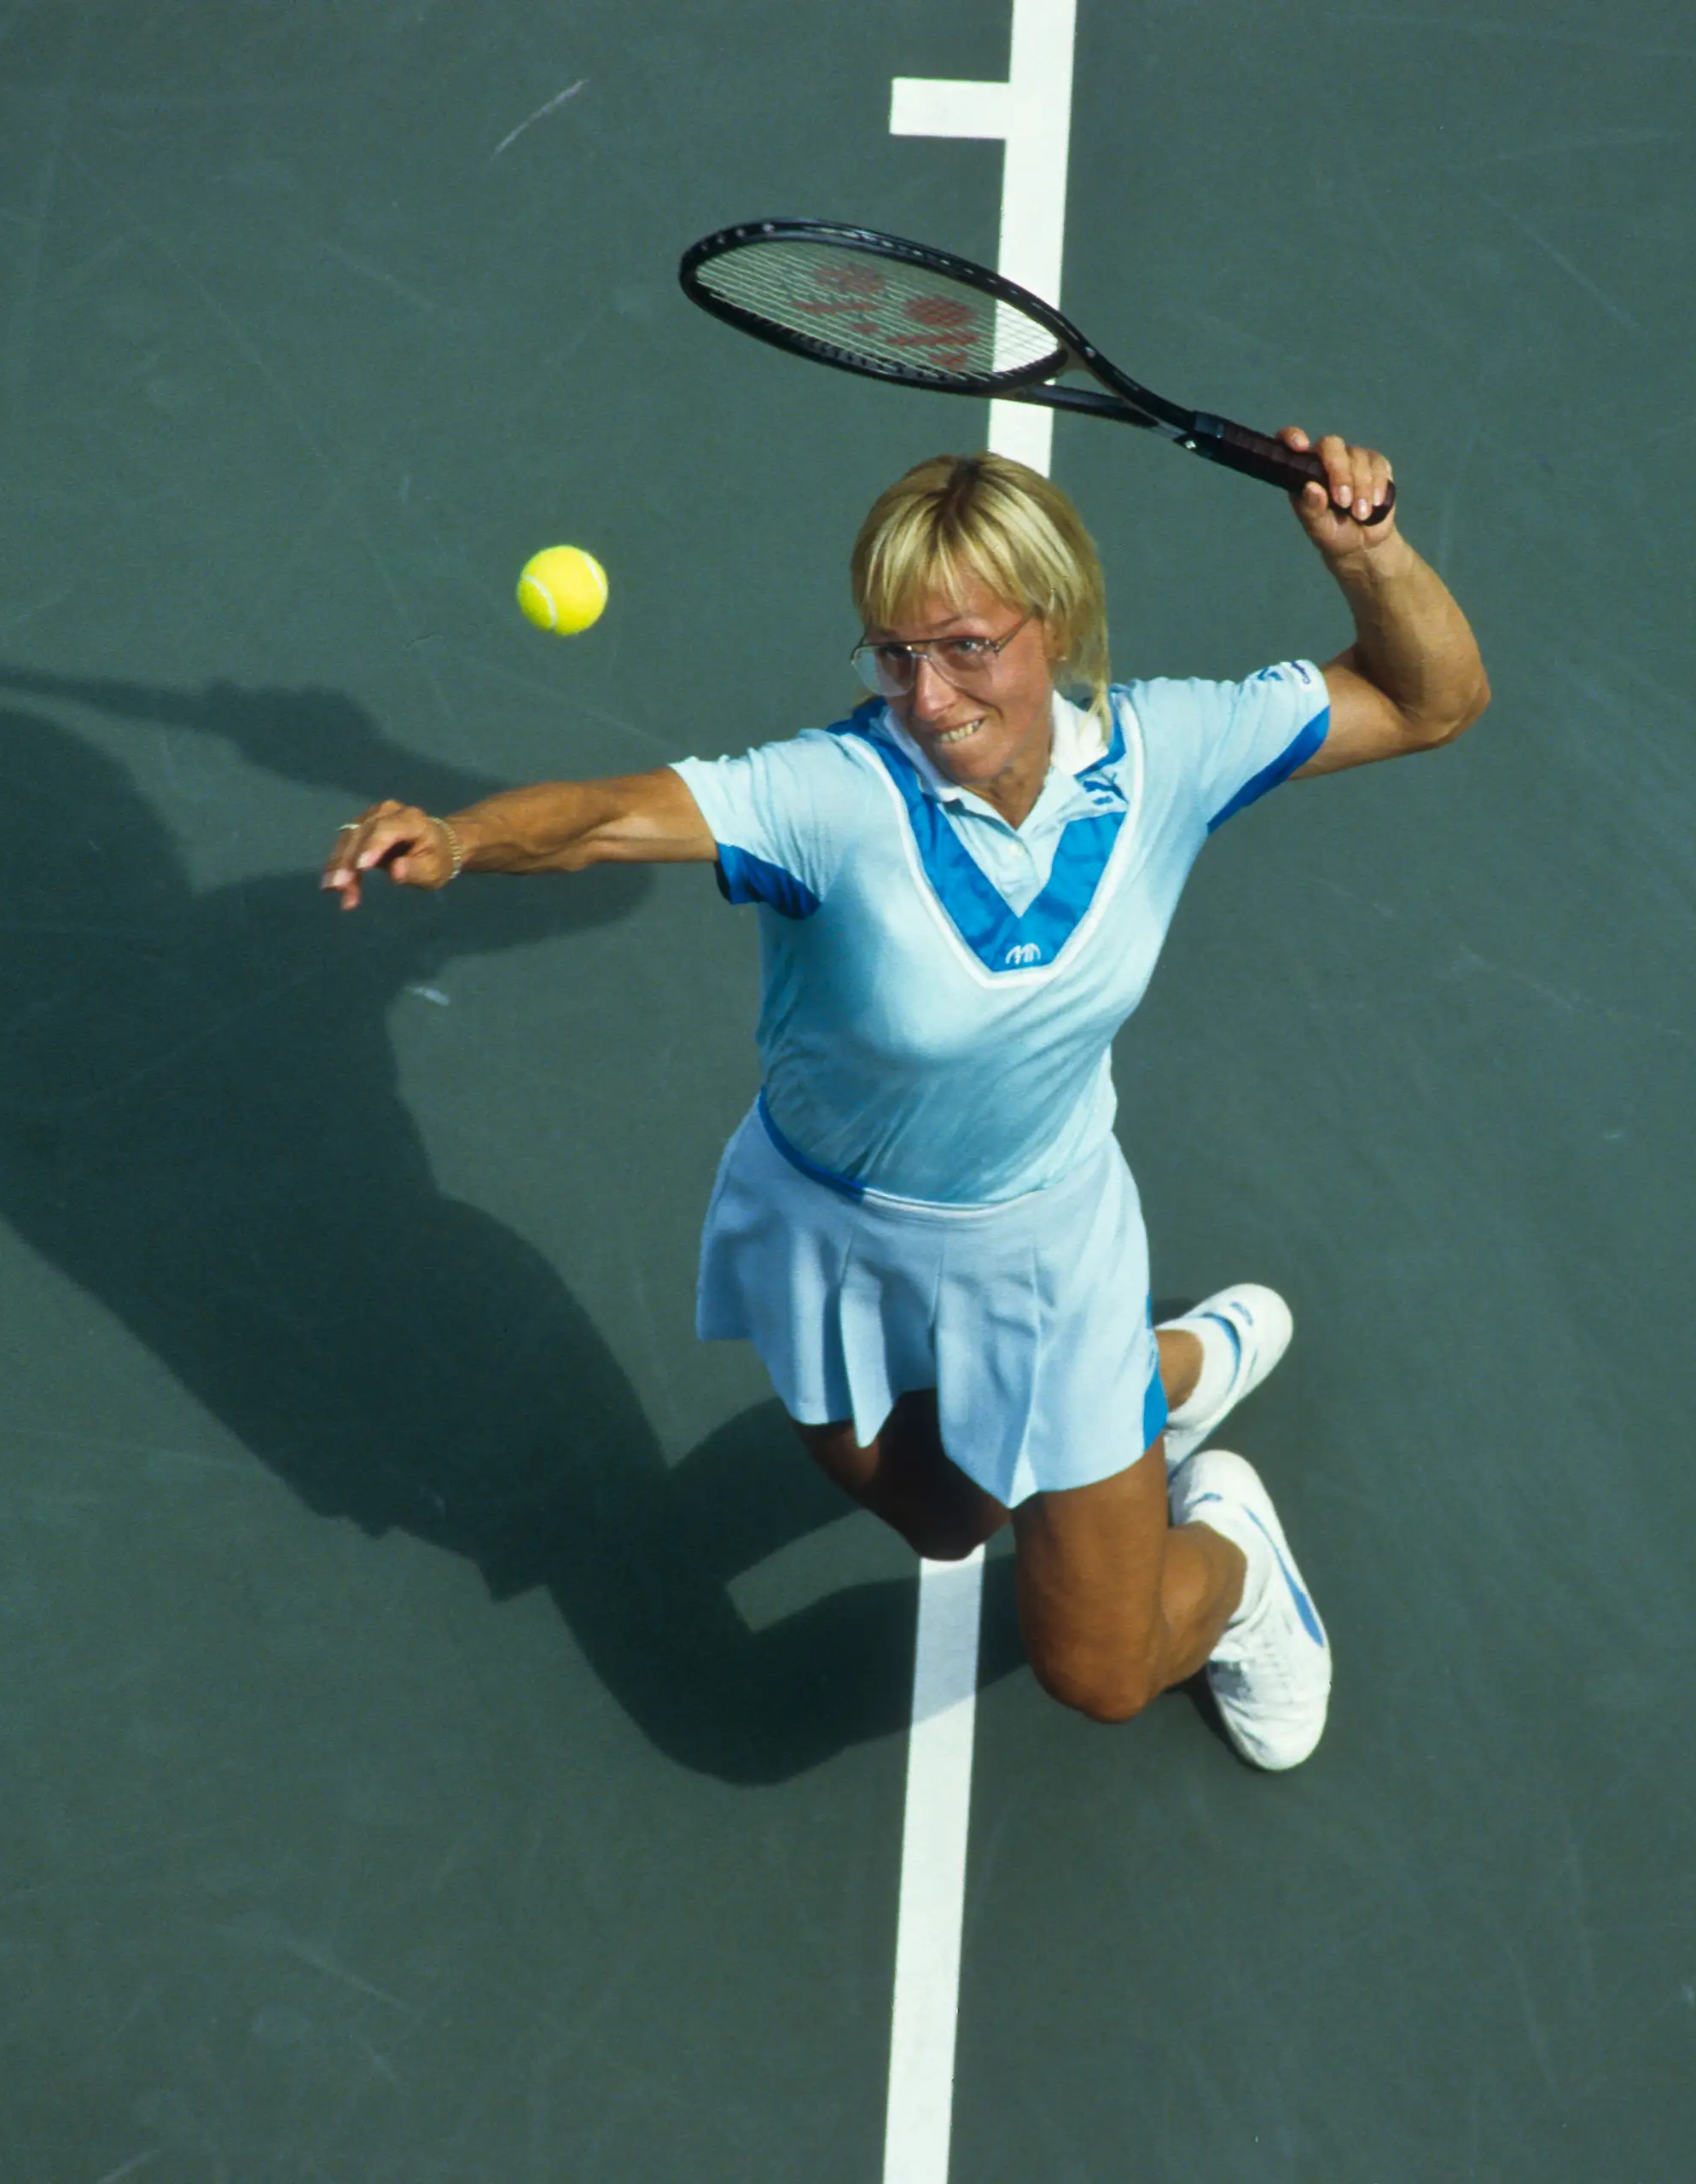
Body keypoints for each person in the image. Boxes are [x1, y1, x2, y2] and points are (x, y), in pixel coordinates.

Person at [323, 429, 1486, 1769]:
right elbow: (604, 816)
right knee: (943, 1515)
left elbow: (1429, 701)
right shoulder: (832, 796)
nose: (927, 699)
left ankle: (1229, 1550)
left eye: (967, 646)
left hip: (1050, 1262)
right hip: (827, 1232)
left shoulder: (1177, 751)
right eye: (894, 655)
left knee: (1101, 1674)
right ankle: (1177, 1373)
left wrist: (1371, 552)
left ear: (1058, 625)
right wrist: (466, 840)